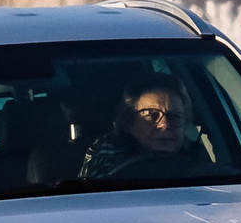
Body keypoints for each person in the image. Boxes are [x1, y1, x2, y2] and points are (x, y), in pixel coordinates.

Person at [80, 74, 220, 181]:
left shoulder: (197, 158)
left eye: (175, 116)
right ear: (129, 123)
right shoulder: (108, 152)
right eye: (152, 116)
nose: (165, 125)